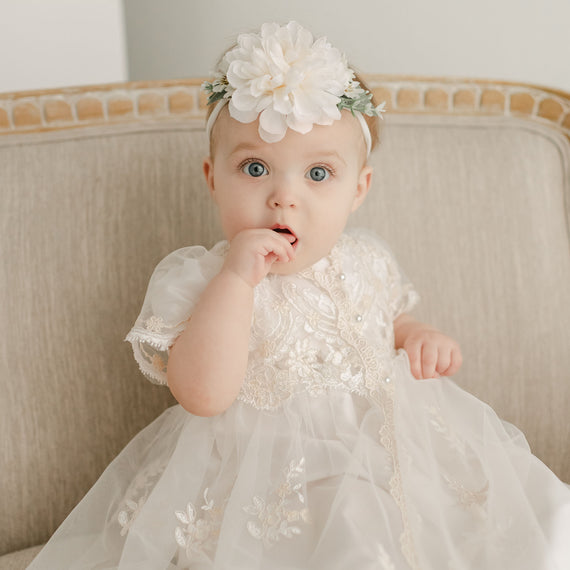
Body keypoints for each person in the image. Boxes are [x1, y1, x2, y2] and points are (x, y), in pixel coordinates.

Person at [29, 21, 570, 570]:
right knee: (351, 540)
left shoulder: (365, 261)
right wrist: (237, 282)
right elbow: (202, 395)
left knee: (513, 523)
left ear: (358, 190)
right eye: (255, 168)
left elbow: (389, 320)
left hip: (389, 457)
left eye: (318, 173)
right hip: (274, 490)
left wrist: (416, 336)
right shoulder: (206, 281)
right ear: (213, 178)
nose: (284, 197)